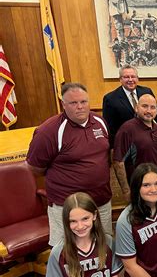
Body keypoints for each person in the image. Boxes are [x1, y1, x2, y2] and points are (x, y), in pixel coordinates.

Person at [27, 83, 113, 246]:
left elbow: (105, 155)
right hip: (66, 206)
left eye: (83, 102)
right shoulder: (48, 131)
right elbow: (35, 168)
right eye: (73, 103)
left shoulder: (100, 122)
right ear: (63, 105)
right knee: (65, 252)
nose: (80, 107)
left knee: (104, 244)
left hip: (101, 201)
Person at [113, 94, 157, 203]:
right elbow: (118, 163)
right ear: (136, 108)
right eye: (145, 106)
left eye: (152, 107)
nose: (149, 110)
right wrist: (126, 191)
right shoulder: (127, 129)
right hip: (138, 189)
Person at [102, 64, 157, 147]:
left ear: (137, 78)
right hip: (126, 143)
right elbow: (109, 127)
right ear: (120, 79)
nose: (130, 80)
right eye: (126, 77)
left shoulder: (147, 91)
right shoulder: (110, 98)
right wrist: (115, 148)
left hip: (148, 139)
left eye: (133, 77)